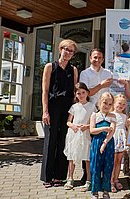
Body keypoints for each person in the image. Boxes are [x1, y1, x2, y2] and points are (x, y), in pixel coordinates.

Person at [40, 39, 78, 188]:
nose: (68, 53)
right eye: (66, 49)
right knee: (50, 141)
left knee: (63, 140)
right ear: (60, 49)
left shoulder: (73, 69)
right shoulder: (50, 66)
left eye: (71, 51)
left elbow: (75, 92)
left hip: (67, 108)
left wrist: (75, 112)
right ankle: (47, 177)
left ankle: (59, 176)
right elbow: (45, 90)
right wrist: (45, 111)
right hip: (53, 107)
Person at [79, 48, 113, 183]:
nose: (97, 60)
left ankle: (102, 173)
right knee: (88, 141)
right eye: (94, 57)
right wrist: (101, 85)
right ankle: (86, 174)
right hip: (90, 110)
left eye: (99, 57)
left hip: (105, 112)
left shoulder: (108, 73)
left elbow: (112, 91)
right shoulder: (85, 73)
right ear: (90, 58)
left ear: (103, 59)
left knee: (103, 139)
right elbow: (87, 93)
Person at [63, 82, 96, 191]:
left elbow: (94, 122)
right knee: (72, 157)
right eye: (78, 93)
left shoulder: (91, 107)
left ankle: (88, 180)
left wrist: (87, 126)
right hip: (74, 134)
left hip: (85, 135)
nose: (81, 95)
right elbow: (68, 121)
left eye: (83, 92)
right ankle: (70, 178)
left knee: (86, 158)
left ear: (87, 93)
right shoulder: (74, 107)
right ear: (75, 95)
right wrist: (73, 126)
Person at [89, 92, 116, 199]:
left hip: (108, 144)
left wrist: (105, 143)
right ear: (99, 102)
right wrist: (104, 128)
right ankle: (94, 193)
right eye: (105, 103)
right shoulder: (94, 115)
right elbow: (92, 130)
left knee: (107, 167)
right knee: (95, 167)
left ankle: (106, 192)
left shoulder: (113, 116)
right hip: (96, 143)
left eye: (110, 104)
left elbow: (112, 131)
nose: (106, 106)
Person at [111, 94, 128, 193]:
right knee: (112, 161)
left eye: (123, 104)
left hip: (121, 140)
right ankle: (110, 181)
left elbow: (127, 128)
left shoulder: (125, 116)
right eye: (119, 103)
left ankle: (116, 179)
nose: (121, 106)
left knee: (118, 161)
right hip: (113, 139)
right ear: (114, 104)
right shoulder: (111, 114)